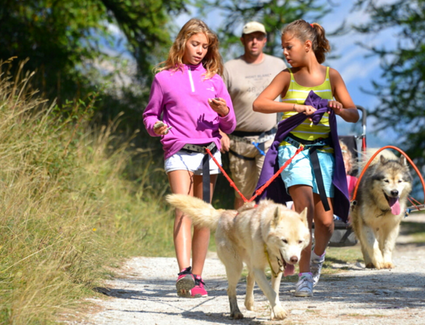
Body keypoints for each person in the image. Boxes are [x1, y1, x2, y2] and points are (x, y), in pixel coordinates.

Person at [253, 19, 359, 297]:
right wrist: (295, 106)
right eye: (283, 48)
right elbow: (260, 103)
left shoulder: (331, 77)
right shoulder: (285, 77)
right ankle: (304, 275)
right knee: (303, 211)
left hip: (323, 152)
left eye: (289, 47)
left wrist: (337, 108)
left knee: (325, 222)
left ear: (308, 45)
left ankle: (318, 259)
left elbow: (353, 113)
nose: (285, 53)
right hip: (293, 151)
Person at [142, 18, 235, 299]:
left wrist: (223, 113)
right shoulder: (163, 78)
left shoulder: (215, 81)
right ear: (183, 42)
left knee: (203, 216)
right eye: (195, 44)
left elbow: (230, 124)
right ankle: (184, 273)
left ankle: (198, 276)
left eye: (205, 47)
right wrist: (156, 127)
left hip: (208, 153)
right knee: (183, 209)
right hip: (178, 151)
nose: (200, 51)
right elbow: (150, 115)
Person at [221, 21, 287, 209]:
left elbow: (289, 97)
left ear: (265, 40)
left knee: (267, 194)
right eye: (250, 38)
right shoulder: (230, 68)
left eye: (258, 38)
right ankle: (240, 236)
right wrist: (221, 131)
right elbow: (218, 102)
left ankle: (264, 237)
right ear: (243, 40)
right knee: (243, 197)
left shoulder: (277, 64)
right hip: (239, 142)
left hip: (268, 138)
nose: (254, 42)